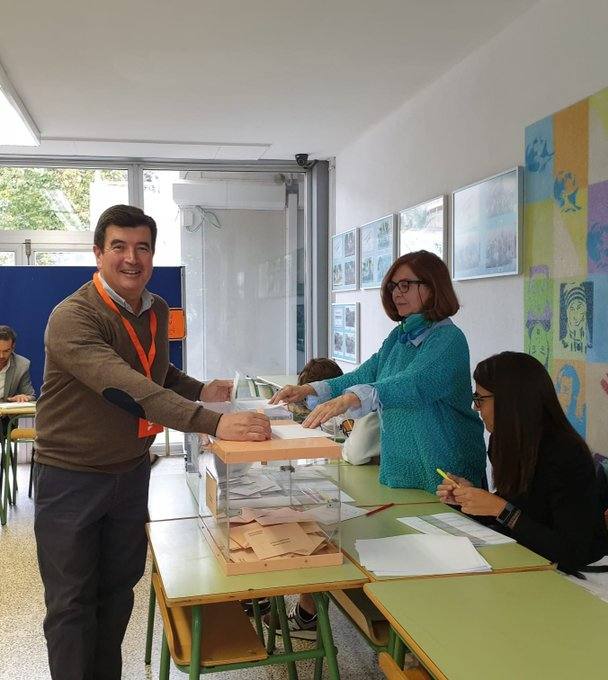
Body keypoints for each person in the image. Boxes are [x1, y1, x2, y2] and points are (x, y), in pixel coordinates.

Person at [33, 204, 271, 680]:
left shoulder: (157, 309)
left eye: (142, 247)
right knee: (72, 605)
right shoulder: (73, 317)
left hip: (130, 472)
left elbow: (157, 372)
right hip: (71, 478)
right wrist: (210, 422)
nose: (131, 258)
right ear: (97, 253)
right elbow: (125, 385)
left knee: (119, 592)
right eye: (118, 246)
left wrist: (199, 390)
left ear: (153, 255)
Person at [270, 250, 486, 636]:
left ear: (432, 286)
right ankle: (410, 640)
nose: (397, 293)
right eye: (392, 285)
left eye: (407, 284)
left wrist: (354, 398)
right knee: (406, 565)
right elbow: (368, 372)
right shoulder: (400, 337)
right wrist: (311, 387)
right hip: (404, 468)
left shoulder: (449, 339)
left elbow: (413, 385)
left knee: (450, 578)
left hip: (445, 466)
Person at [437, 351, 608, 574]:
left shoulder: (567, 454)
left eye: (480, 399)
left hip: (576, 575)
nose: (475, 408)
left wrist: (500, 509)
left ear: (510, 401)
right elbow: (519, 510)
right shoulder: (503, 442)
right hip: (528, 559)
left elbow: (572, 551)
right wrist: (468, 499)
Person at [0, 325, 35, 443]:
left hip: (4, 420)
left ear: (13, 347)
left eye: (6, 351)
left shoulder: (22, 365)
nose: (1, 356)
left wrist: (23, 397)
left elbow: (31, 395)